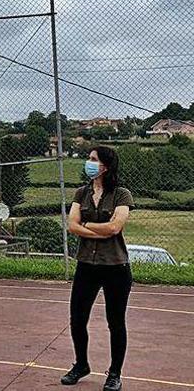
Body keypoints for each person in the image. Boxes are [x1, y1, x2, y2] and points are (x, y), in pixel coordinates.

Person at [61, 146, 133, 391]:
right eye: (88, 158)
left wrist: (88, 225)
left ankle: (114, 374)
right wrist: (99, 228)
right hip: (86, 266)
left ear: (106, 166)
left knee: (116, 322)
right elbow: (72, 225)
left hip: (115, 267)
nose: (88, 163)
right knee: (77, 319)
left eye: (93, 159)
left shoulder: (122, 195)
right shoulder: (81, 193)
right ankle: (81, 364)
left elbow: (116, 227)